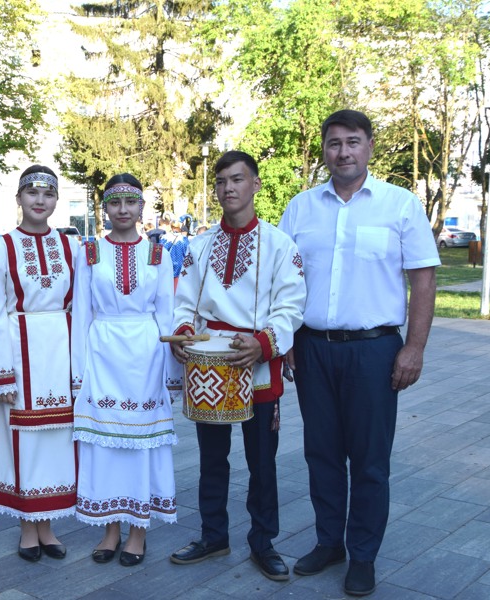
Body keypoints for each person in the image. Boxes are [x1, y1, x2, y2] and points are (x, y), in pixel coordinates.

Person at [279, 110, 439, 597]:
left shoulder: (400, 205)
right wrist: (284, 341)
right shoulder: (301, 209)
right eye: (334, 144)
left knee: (369, 460)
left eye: (353, 142)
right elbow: (284, 281)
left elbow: (424, 279)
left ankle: (363, 555)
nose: (343, 152)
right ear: (324, 150)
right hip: (312, 349)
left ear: (370, 146)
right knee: (321, 452)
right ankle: (330, 542)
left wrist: (414, 347)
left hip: (374, 351)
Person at [169, 151, 306, 583]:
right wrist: (184, 331)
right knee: (212, 458)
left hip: (258, 364)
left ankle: (263, 542)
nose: (229, 188)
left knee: (262, 460)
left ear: (256, 185)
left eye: (238, 179)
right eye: (222, 181)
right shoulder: (199, 245)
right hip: (209, 366)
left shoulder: (281, 244)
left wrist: (265, 343)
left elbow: (291, 304)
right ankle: (214, 536)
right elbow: (184, 300)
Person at [71, 174, 182, 567]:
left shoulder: (158, 255)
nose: (122, 210)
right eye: (114, 203)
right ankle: (109, 527)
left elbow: (167, 314)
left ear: (141, 208)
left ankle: (138, 530)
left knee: (143, 445)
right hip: (102, 351)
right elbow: (81, 312)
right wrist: (77, 371)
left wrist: (171, 375)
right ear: (104, 209)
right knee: (103, 443)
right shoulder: (89, 252)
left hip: (146, 353)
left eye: (130, 203)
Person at [0, 165, 78, 561]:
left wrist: (79, 369)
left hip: (60, 350)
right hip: (20, 354)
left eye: (48, 194)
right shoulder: (2, 246)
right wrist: (2, 372)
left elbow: (80, 306)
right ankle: (27, 525)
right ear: (19, 198)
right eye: (32, 193)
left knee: (56, 441)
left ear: (56, 200)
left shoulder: (72, 246)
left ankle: (49, 522)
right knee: (21, 441)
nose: (40, 201)